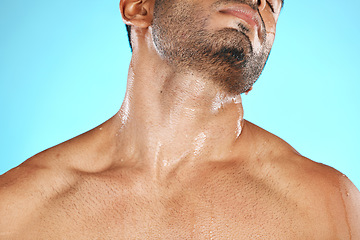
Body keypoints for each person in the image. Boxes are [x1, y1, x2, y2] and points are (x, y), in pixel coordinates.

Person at [1, 0, 359, 238]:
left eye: (274, 3)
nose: (259, 2)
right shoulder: (18, 212)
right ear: (140, 7)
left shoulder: (325, 204)